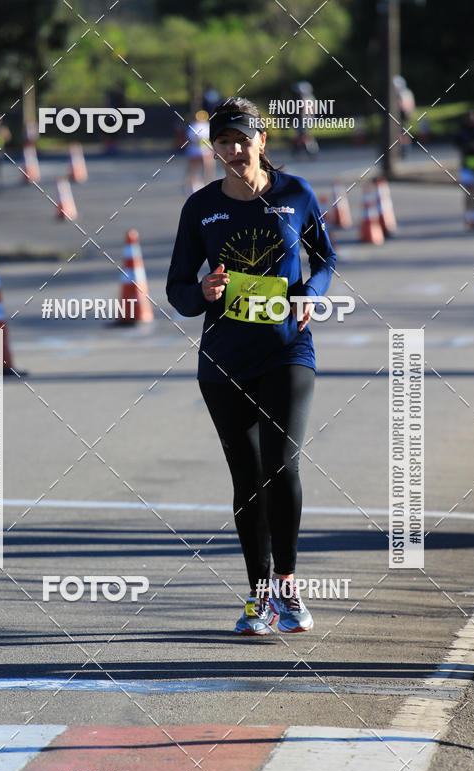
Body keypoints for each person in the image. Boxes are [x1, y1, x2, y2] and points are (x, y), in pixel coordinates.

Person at [166, 97, 336, 635]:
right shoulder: (200, 208)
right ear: (212, 148)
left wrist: (310, 292)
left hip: (288, 348)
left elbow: (326, 259)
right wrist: (203, 290)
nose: (234, 150)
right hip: (223, 360)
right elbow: (177, 290)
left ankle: (287, 587)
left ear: (263, 140)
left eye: (243, 138)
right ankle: (258, 596)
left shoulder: (296, 195)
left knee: (280, 464)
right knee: (247, 479)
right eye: (223, 141)